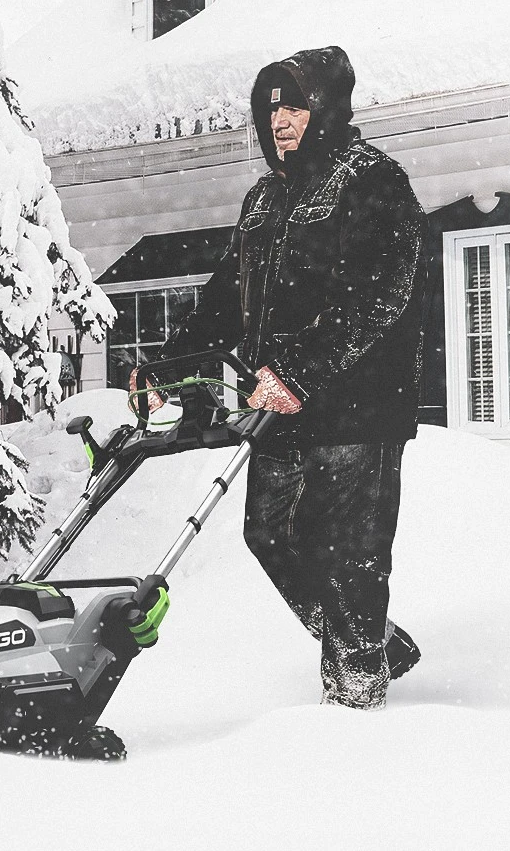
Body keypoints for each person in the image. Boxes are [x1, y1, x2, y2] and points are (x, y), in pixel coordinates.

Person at [137, 45, 428, 708]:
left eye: (294, 106)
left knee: (350, 555)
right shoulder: (264, 200)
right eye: (270, 110)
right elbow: (223, 302)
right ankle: (375, 643)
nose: (280, 122)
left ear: (326, 108)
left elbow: (378, 297)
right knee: (269, 535)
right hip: (280, 406)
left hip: (358, 408)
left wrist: (299, 370)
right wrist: (167, 367)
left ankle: (356, 696)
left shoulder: (373, 181)